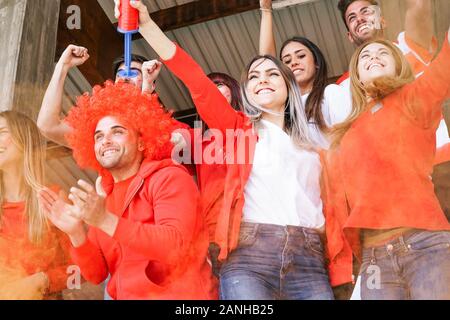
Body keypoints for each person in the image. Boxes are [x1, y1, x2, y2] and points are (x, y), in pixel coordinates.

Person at [115, 0, 343, 300]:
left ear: (289, 86)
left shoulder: (317, 139)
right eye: (254, 76)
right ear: (246, 92)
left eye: (272, 74)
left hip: (309, 259)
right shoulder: (238, 129)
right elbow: (194, 77)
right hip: (250, 258)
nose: (262, 79)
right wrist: (146, 25)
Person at [40, 81, 217, 300]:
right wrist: (76, 233)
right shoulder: (105, 196)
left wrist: (104, 220)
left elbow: (176, 246)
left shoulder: (170, 177)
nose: (105, 140)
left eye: (117, 132)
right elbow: (96, 275)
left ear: (142, 142)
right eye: (98, 136)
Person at [325, 27, 450, 299]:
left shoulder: (414, 100)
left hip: (426, 242)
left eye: (383, 52)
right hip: (373, 258)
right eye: (365, 55)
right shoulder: (343, 132)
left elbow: (444, 67)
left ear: (399, 65)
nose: (373, 56)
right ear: (356, 76)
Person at [259, 0, 351, 149]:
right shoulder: (285, 110)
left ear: (316, 63)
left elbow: (350, 139)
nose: (294, 62)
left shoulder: (332, 93)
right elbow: (266, 64)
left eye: (301, 56)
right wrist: (266, 10)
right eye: (287, 61)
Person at [0, 111, 71, 300]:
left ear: (24, 139)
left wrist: (43, 280)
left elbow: (82, 273)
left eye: (2, 131)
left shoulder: (54, 199)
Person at [37, 45, 163, 147]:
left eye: (133, 73)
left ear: (151, 83)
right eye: (120, 74)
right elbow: (48, 126)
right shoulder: (101, 130)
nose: (125, 77)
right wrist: (63, 66)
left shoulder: (163, 128)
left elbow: (142, 134)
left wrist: (146, 90)